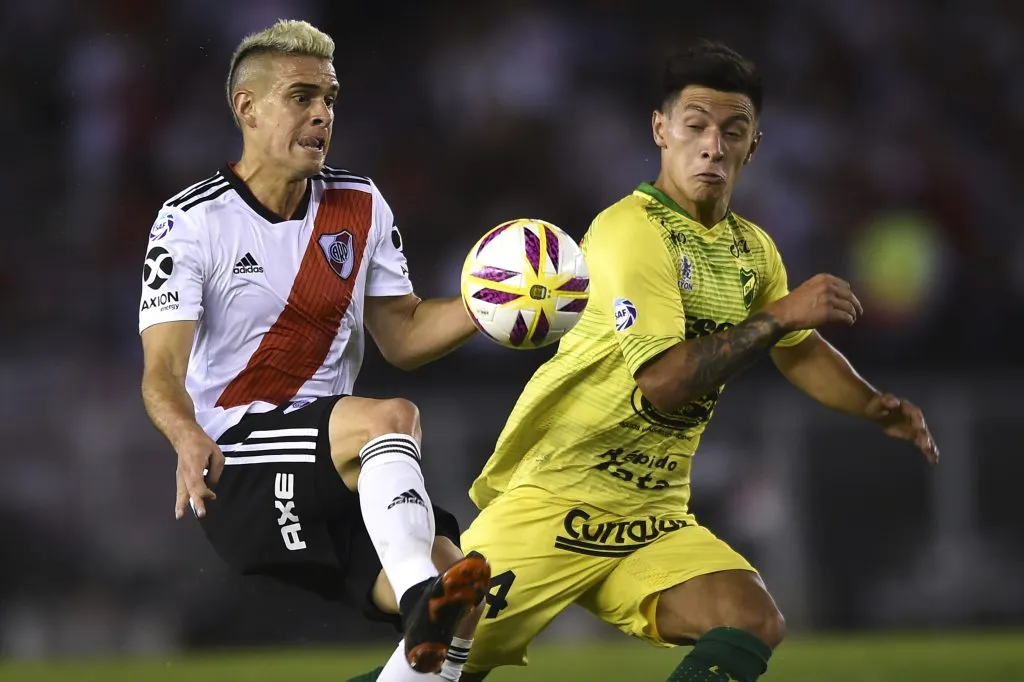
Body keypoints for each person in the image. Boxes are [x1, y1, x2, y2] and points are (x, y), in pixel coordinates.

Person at [452, 40, 939, 682]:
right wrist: (782, 315)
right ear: (661, 129)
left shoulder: (751, 250)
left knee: (750, 616)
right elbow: (662, 383)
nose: (713, 145)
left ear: (753, 144)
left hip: (649, 513)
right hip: (556, 499)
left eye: (732, 131)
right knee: (438, 669)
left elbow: (796, 351)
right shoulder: (633, 230)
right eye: (696, 126)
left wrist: (874, 405)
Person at [138, 19, 488, 680]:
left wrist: (484, 307)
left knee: (460, 592)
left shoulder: (359, 204)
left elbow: (405, 335)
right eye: (302, 96)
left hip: (338, 464)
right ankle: (419, 598)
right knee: (391, 419)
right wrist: (184, 436)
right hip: (239, 461)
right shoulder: (190, 222)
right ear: (247, 107)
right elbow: (160, 370)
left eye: (329, 98)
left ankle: (423, 600)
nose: (322, 113)